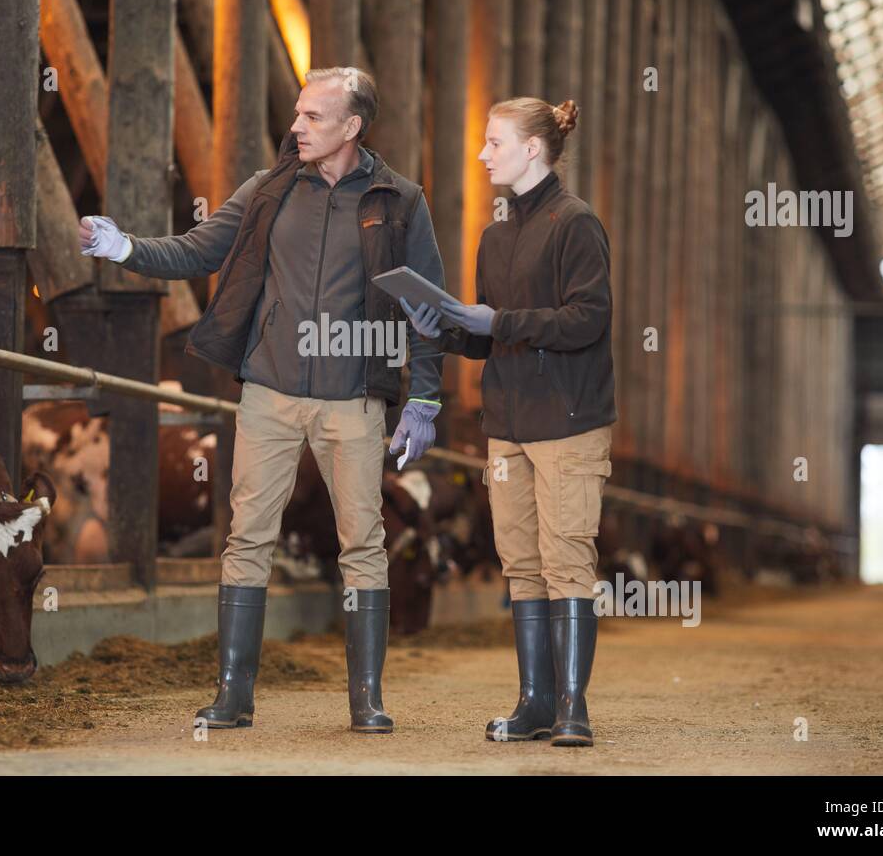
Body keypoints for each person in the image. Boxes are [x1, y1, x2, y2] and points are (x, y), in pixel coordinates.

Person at [78, 67, 446, 734]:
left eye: (313, 117)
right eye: (298, 114)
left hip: (353, 400)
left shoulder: (400, 203)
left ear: (352, 127)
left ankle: (366, 699)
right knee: (247, 538)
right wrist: (124, 245)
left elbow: (426, 308)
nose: (297, 125)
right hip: (269, 394)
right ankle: (233, 695)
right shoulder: (269, 189)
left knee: (362, 543)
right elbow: (198, 250)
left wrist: (424, 398)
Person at [401, 96, 616, 746]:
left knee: (567, 561)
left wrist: (499, 322)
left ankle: (573, 708)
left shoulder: (577, 224)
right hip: (508, 424)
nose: (481, 154)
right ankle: (534, 703)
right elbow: (490, 339)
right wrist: (444, 328)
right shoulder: (495, 238)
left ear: (532, 149)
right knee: (520, 563)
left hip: (570, 420)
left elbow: (589, 319)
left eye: (494, 143)